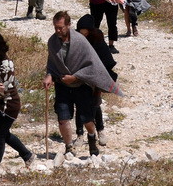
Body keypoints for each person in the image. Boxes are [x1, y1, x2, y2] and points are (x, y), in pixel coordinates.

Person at [43, 12, 117, 160]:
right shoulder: (52, 42)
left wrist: (75, 77)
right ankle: (69, 147)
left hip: (82, 84)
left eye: (61, 28)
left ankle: (91, 137)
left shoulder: (81, 42)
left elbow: (91, 64)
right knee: (63, 117)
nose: (58, 31)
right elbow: (52, 62)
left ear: (68, 25)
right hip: (62, 84)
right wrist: (49, 75)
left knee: (87, 119)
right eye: (55, 28)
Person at [0, 32, 32, 170]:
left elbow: (3, 90)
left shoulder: (7, 64)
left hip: (8, 104)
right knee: (4, 134)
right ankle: (27, 155)